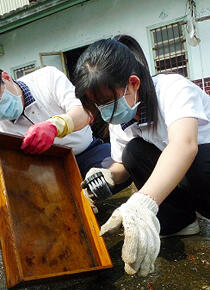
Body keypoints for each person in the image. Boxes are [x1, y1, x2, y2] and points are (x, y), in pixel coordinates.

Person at [73, 37, 210, 277]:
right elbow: (122, 165)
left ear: (133, 83)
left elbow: (184, 145)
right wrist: (106, 176)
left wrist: (142, 202)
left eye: (105, 101)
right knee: (132, 152)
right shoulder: (120, 118)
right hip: (188, 178)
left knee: (195, 159)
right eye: (96, 104)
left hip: (204, 169)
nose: (103, 111)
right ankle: (179, 223)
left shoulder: (172, 89)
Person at [0, 60, 131, 245]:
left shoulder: (46, 78)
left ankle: (82, 199)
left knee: (122, 165)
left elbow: (84, 112)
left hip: (86, 154)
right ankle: (77, 201)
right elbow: (5, 178)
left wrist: (55, 126)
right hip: (49, 177)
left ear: (5, 77)